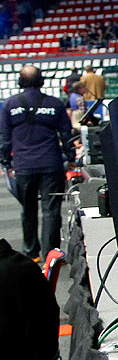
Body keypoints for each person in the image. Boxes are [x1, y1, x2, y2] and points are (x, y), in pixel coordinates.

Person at [0, 66, 75, 261]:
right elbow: (66, 135)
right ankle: (51, 255)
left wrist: (5, 162)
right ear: (42, 81)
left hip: (23, 166)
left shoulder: (9, 105)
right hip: (51, 164)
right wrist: (72, 158)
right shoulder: (55, 104)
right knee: (51, 210)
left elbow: (4, 138)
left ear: (19, 82)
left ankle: (31, 253)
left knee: (28, 210)